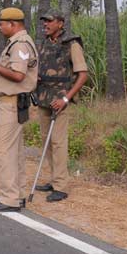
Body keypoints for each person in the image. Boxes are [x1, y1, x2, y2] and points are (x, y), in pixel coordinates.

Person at [0, 7, 38, 212]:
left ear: (13, 24)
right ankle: (17, 194)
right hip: (14, 104)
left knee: (3, 150)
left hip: (11, 104)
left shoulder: (20, 44)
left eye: (2, 24)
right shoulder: (17, 43)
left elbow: (18, 75)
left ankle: (10, 198)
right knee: (16, 152)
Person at [34, 12, 89, 202]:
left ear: (60, 23)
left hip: (60, 101)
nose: (46, 24)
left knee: (58, 142)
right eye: (44, 21)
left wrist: (66, 99)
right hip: (43, 98)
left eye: (49, 21)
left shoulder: (71, 44)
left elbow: (82, 75)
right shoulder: (43, 43)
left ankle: (61, 186)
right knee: (46, 141)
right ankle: (54, 179)